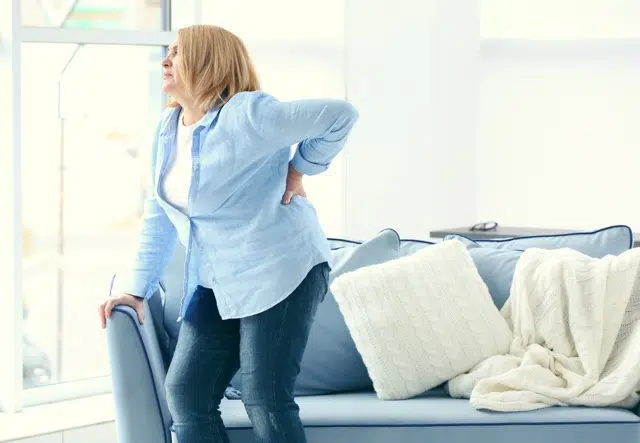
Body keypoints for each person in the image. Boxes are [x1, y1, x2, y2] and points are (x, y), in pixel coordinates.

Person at [97, 24, 359, 443]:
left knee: (264, 395)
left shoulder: (249, 114)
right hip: (217, 277)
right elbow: (159, 215)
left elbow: (340, 116)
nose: (165, 60)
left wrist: (300, 169)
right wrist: (136, 288)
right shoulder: (168, 130)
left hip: (283, 269)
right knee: (186, 393)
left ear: (207, 60)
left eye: (178, 52)